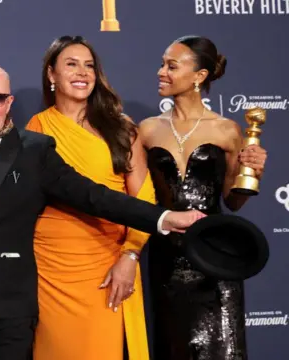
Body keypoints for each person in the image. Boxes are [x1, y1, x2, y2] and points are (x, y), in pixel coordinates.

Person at [0, 62, 205, 360]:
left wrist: (161, 217)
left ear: (9, 103)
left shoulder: (34, 149)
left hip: (8, 311)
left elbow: (94, 196)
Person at [139, 35, 267, 360]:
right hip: (166, 262)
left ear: (199, 76)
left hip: (215, 260)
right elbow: (138, 199)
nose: (161, 72)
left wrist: (253, 172)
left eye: (171, 66)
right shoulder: (147, 130)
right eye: (162, 64)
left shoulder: (227, 130)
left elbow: (233, 201)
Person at [25, 35, 152, 360]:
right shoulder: (36, 128)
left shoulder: (122, 128)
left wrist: (131, 256)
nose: (82, 73)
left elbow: (143, 200)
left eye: (89, 66)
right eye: (71, 64)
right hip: (51, 269)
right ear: (51, 75)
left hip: (108, 264)